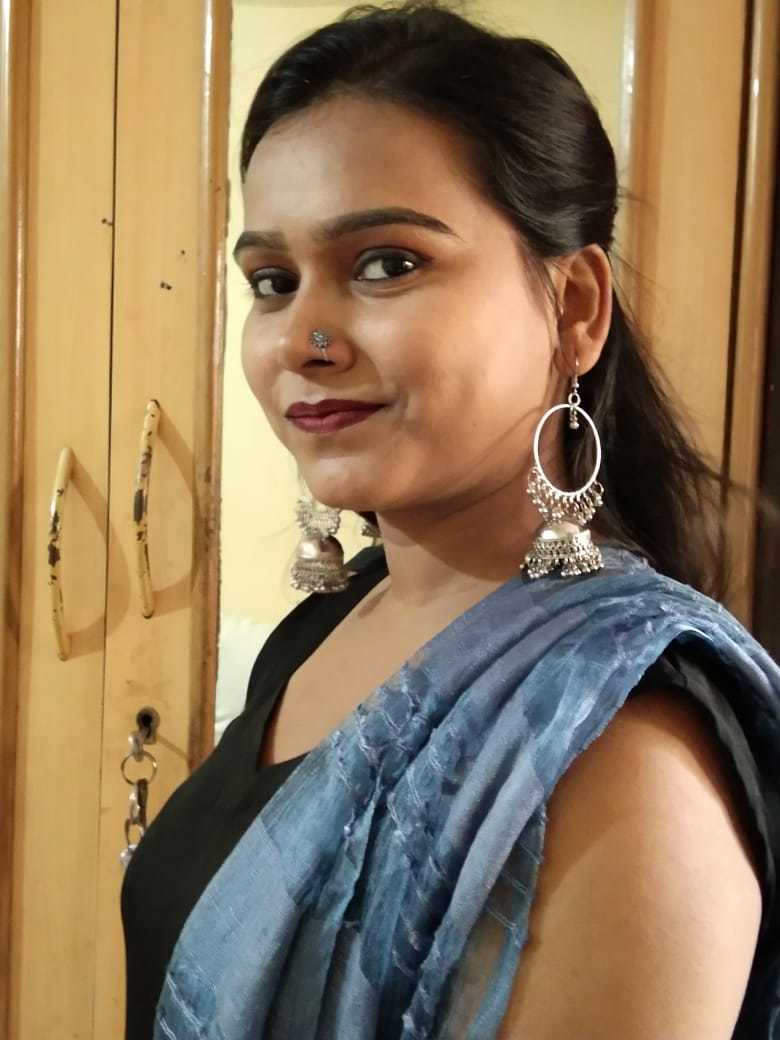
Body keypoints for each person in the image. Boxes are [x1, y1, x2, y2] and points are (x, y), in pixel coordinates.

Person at [121, 2, 780, 1037]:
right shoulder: (333, 621)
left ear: (574, 307)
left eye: (387, 263)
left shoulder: (628, 757)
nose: (301, 337)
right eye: (272, 281)